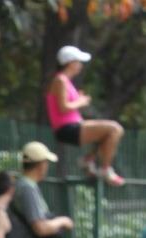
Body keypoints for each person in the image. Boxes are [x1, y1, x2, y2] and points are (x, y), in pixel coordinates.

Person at [46, 45, 124, 187]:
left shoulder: (65, 81)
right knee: (115, 129)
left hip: (73, 125)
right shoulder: (60, 80)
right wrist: (80, 102)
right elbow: (63, 108)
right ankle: (105, 169)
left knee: (109, 134)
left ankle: (89, 160)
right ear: (70, 63)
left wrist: (79, 100)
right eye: (78, 61)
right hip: (67, 128)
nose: (80, 65)